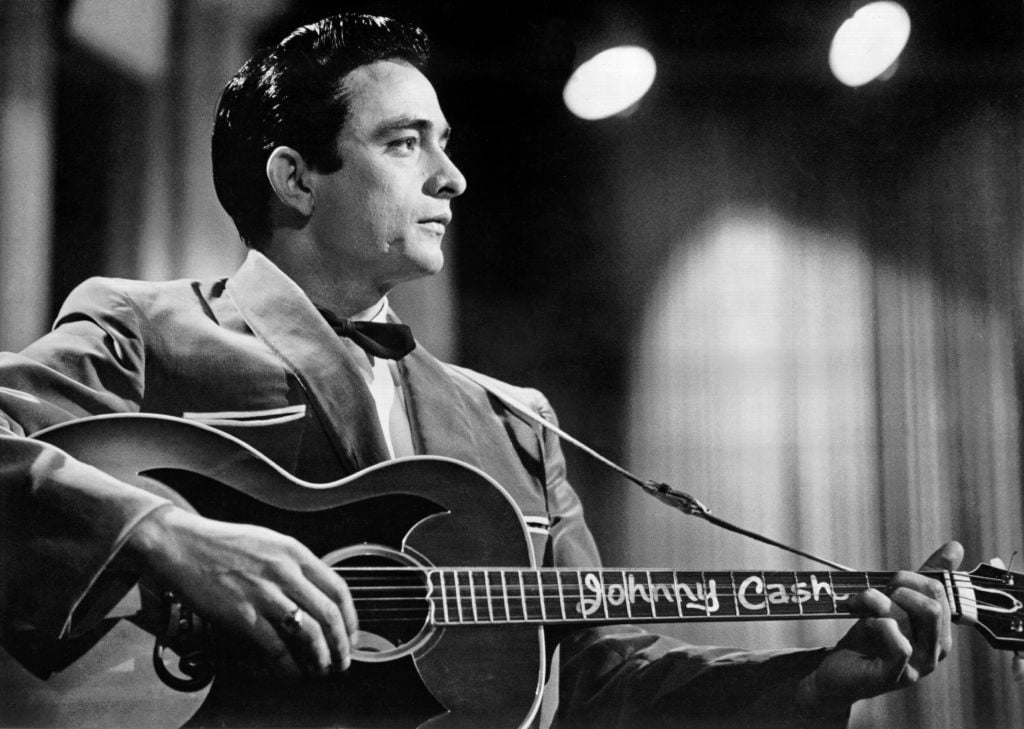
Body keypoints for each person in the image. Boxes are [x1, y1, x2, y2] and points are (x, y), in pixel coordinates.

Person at [0, 13, 962, 729]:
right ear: (295, 176)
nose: (451, 178)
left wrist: (812, 684)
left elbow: (591, 674)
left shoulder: (513, 421)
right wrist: (171, 538)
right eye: (404, 142)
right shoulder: (142, 328)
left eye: (447, 145)